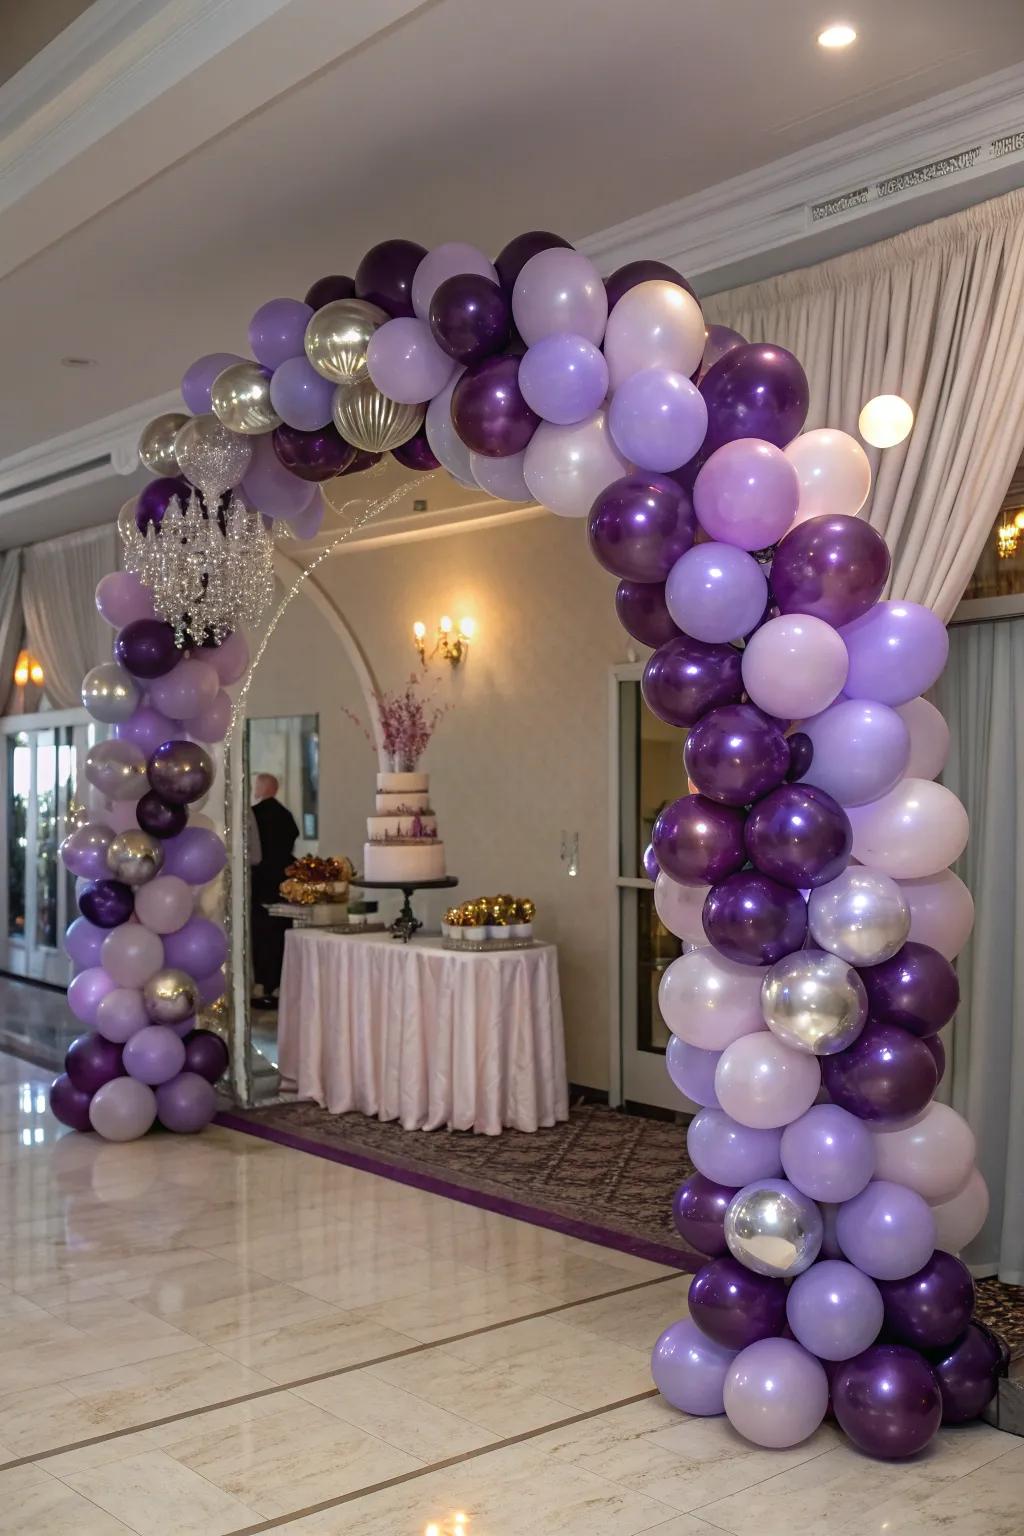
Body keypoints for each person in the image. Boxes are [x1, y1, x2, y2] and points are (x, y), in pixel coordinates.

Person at [250, 773, 299, 1004]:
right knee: (280, 931)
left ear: (262, 788)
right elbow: (292, 839)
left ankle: (262, 983)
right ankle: (279, 982)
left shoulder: (254, 814)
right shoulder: (285, 815)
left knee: (261, 933)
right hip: (282, 880)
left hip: (261, 881)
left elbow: (253, 852)